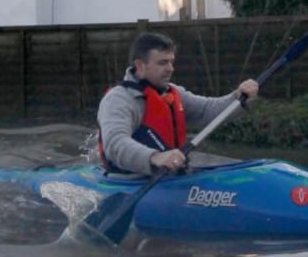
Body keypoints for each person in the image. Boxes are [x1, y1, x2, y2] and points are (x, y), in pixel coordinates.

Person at [97, 32, 258, 176]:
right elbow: (115, 143)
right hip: (130, 181)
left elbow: (207, 110)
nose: (170, 68)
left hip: (170, 179)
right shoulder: (119, 99)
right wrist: (155, 157)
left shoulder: (173, 92)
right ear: (140, 65)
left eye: (171, 62)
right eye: (162, 63)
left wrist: (237, 97)